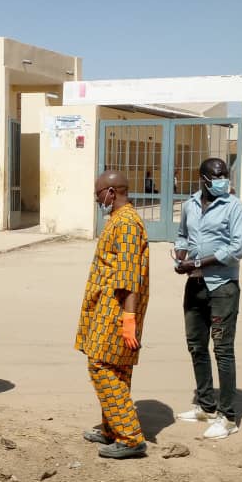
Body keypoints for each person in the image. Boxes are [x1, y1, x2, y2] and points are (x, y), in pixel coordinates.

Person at [173, 157, 242, 440]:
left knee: (223, 350)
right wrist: (181, 256)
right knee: (196, 345)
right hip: (195, 285)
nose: (223, 180)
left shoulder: (234, 206)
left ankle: (228, 417)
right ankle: (206, 405)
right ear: (203, 179)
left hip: (223, 287)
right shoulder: (190, 205)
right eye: (217, 176)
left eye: (225, 175)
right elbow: (182, 236)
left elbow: (238, 247)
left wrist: (200, 263)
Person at [75, 170, 149, 459]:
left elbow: (129, 277)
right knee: (116, 368)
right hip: (105, 305)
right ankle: (111, 429)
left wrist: (128, 319)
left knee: (101, 366)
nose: (97, 200)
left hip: (117, 308)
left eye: (98, 195)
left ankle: (130, 438)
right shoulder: (117, 220)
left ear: (112, 192)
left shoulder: (128, 223)